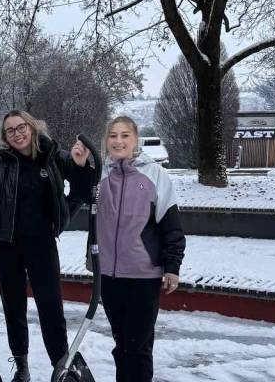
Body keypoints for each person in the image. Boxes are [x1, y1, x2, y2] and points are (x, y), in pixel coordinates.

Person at [0, 110, 92, 382]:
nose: (17, 133)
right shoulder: (0, 162)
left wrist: (79, 166)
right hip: (6, 244)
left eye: (21, 127)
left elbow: (81, 182)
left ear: (32, 127)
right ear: (5, 137)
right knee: (14, 307)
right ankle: (22, 366)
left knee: (51, 306)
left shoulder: (52, 156)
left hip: (42, 243)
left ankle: (60, 366)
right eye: (10, 130)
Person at [96, 116, 186, 382]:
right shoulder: (100, 174)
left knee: (139, 346)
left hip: (143, 274)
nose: (118, 141)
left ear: (135, 139)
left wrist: (172, 267)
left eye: (125, 135)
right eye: (113, 135)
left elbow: (170, 223)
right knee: (121, 343)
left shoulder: (155, 174)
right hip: (109, 275)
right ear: (106, 140)